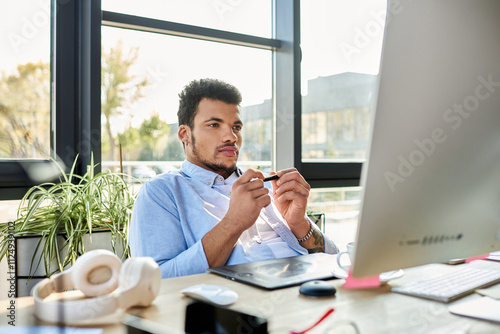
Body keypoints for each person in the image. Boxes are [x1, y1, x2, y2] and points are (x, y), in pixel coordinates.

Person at [129, 78, 338, 278]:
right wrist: (233, 222)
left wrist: (299, 223)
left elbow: (336, 260)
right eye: (214, 125)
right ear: (184, 134)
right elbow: (157, 281)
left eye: (236, 127)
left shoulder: (264, 184)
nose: (231, 137)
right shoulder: (162, 192)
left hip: (312, 287)